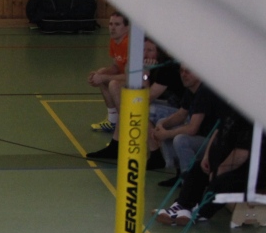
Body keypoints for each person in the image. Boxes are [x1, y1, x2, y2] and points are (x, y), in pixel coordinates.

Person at [86, 37, 182, 169]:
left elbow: (146, 97)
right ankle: (116, 144)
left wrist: (145, 73)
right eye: (143, 50)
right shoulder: (149, 64)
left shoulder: (166, 68)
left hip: (177, 110)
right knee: (123, 95)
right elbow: (131, 81)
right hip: (160, 104)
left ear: (159, 52)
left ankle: (156, 154)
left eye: (150, 50)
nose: (145, 54)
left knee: (137, 108)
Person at [156, 106, 259, 226]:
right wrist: (206, 157)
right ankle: (182, 206)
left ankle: (200, 212)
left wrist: (219, 170)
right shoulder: (232, 110)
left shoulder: (252, 119)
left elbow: (241, 154)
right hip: (222, 163)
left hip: (249, 172)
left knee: (223, 181)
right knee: (197, 168)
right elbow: (217, 132)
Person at [150, 66, 229, 183]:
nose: (183, 75)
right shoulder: (191, 89)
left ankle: (189, 181)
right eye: (181, 71)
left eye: (188, 71)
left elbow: (192, 128)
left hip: (214, 143)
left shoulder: (205, 91)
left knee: (181, 140)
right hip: (202, 137)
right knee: (163, 123)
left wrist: (166, 134)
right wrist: (162, 125)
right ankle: (179, 172)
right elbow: (181, 115)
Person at [87, 12, 130, 134]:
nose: (112, 28)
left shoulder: (129, 44)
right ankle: (112, 120)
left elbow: (131, 76)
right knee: (102, 73)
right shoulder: (114, 41)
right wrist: (99, 74)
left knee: (113, 84)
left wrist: (103, 77)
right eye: (111, 24)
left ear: (127, 28)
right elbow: (116, 66)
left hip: (140, 81)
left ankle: (125, 124)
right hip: (125, 77)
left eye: (117, 24)